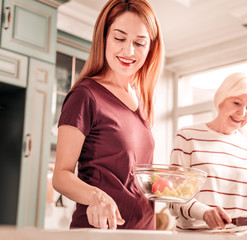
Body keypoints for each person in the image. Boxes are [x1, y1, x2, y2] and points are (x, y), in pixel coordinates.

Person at [52, 0, 164, 230]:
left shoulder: (140, 100)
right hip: (102, 233)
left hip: (145, 232)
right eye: (119, 38)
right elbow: (61, 176)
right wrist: (96, 197)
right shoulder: (86, 95)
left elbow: (133, 176)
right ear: (103, 38)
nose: (128, 51)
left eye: (139, 43)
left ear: (150, 47)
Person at [168, 72, 247, 232]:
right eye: (236, 103)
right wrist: (204, 212)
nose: (242, 113)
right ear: (221, 100)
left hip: (241, 236)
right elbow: (174, 197)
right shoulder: (188, 137)